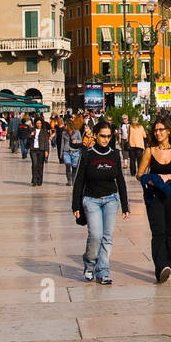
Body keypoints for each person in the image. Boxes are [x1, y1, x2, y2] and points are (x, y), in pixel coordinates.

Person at [72, 119, 130, 284]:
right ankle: (89, 264)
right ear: (95, 136)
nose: (106, 139)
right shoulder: (88, 154)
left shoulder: (114, 154)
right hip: (91, 200)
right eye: (102, 136)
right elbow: (79, 181)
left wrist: (125, 206)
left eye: (108, 136)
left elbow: (120, 180)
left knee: (107, 237)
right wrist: (75, 204)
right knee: (95, 235)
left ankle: (103, 271)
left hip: (111, 199)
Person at [137, 117, 171, 283]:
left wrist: (167, 176)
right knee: (158, 231)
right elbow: (139, 174)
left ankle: (167, 263)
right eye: (155, 130)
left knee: (168, 233)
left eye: (161, 130)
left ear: (168, 131)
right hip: (154, 196)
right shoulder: (149, 151)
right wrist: (149, 179)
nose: (158, 133)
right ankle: (161, 266)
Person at [29, 118, 50, 186]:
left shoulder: (44, 131)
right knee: (34, 164)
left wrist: (46, 150)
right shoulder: (32, 130)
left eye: (40, 123)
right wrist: (31, 136)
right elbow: (28, 140)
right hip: (33, 149)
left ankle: (39, 180)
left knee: (40, 166)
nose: (38, 125)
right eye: (37, 123)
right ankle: (34, 180)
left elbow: (46, 142)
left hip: (41, 149)